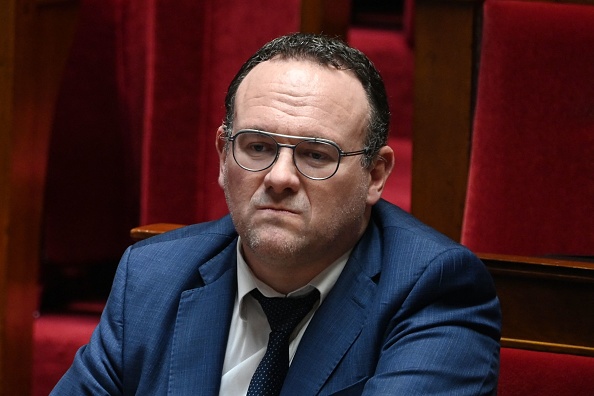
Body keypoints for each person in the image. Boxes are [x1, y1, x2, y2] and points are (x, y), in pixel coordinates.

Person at [52, 33, 501, 395]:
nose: (279, 177)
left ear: (375, 174)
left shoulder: (435, 291)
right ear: (223, 156)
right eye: (259, 147)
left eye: (315, 154)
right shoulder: (153, 275)